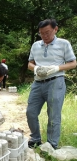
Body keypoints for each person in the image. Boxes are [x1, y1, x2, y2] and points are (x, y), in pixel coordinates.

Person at [26, 19, 76, 149]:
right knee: (30, 112)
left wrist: (56, 68)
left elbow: (73, 63)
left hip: (56, 82)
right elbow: (30, 63)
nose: (44, 36)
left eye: (47, 32)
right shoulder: (36, 45)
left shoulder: (64, 44)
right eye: (41, 33)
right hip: (37, 82)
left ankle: (51, 144)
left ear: (55, 29)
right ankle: (35, 138)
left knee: (53, 114)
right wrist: (36, 68)